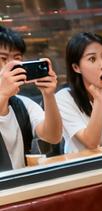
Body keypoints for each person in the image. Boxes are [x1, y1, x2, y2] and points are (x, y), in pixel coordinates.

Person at [0, 25, 61, 171]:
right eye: (3, 58)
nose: (12, 65)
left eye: (17, 58)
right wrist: (2, 94)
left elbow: (52, 136)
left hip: (21, 187)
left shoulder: (23, 104)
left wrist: (49, 95)